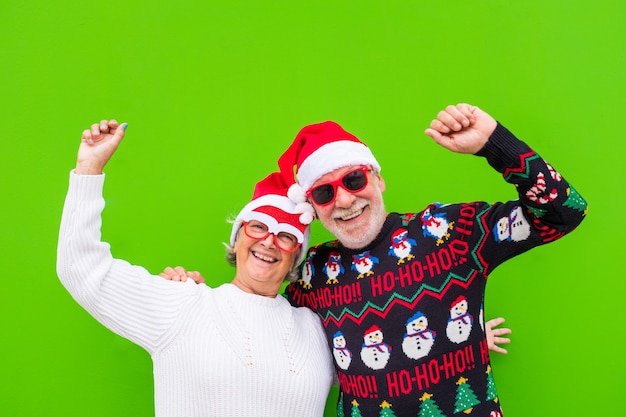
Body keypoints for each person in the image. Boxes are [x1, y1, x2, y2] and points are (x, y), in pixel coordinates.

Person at [274, 103, 587, 416]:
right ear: (313, 207)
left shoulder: (449, 232)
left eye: (354, 180)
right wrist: (458, 335)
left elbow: (565, 213)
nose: (344, 199)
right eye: (324, 193)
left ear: (378, 179)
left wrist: (495, 143)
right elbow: (276, 338)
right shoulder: (312, 270)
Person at [56, 119, 334, 417]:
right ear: (237, 237)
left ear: (296, 256)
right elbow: (80, 267)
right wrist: (89, 170)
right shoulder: (185, 305)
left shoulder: (317, 329)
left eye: (286, 236)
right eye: (257, 227)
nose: (269, 241)